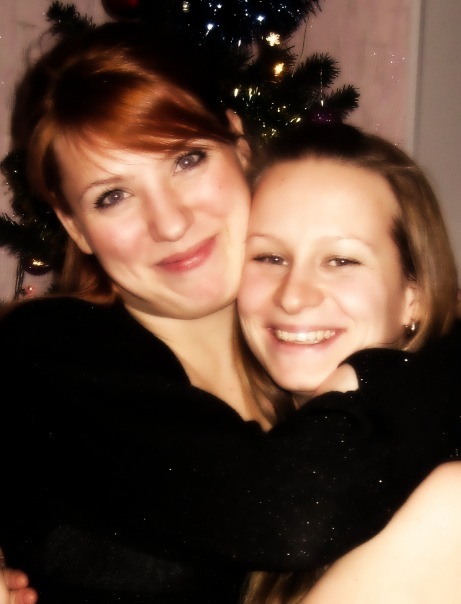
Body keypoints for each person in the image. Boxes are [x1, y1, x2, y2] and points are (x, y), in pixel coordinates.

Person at [0, 20, 460, 604]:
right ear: (75, 227)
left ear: (239, 147)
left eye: (187, 160)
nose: (170, 223)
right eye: (112, 196)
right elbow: (288, 516)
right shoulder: (56, 353)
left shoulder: (296, 358)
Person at [236, 121, 461, 602]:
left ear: (415, 297)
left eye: (341, 261)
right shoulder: (246, 452)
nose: (293, 296)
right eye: (269, 257)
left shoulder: (450, 502)